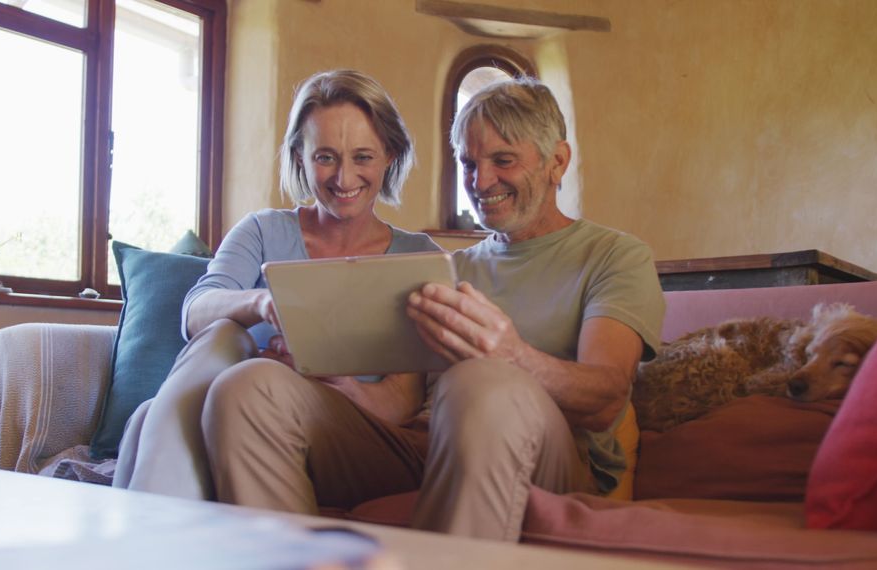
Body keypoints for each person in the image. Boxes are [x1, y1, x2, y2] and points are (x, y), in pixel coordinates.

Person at [199, 76, 665, 541]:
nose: (481, 182)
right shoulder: (444, 268)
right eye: (468, 164)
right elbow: (401, 402)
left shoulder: (615, 255)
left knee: (484, 379)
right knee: (246, 388)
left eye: (503, 160)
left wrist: (514, 357)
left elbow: (606, 399)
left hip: (558, 461)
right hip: (426, 452)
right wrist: (336, 384)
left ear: (557, 161)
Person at [111, 69, 440, 498]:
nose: (343, 179)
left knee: (151, 419)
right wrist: (265, 304)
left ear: (390, 156)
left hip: (352, 434)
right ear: (300, 157)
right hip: (241, 420)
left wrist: (329, 382)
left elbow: (400, 403)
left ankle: (142, 527)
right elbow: (196, 311)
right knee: (223, 333)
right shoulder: (263, 231)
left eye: (363, 157)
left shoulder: (419, 256)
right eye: (325, 157)